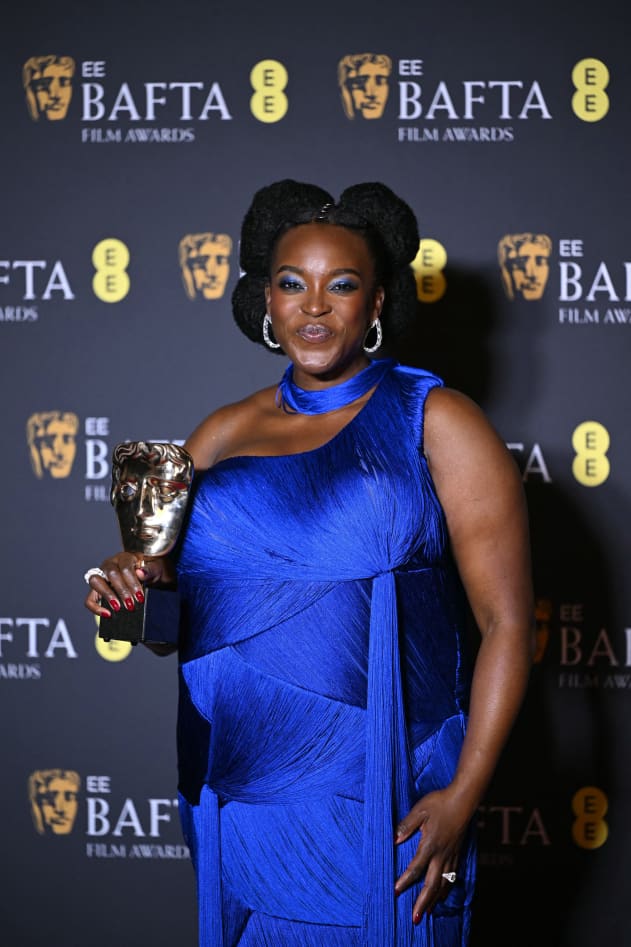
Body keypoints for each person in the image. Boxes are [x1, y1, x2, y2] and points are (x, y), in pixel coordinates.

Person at [84, 179, 535, 945]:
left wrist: (465, 790)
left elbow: (507, 623)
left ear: (378, 302)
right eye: (292, 283)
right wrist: (134, 591)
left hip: (385, 786)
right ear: (265, 297)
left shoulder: (437, 418)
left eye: (342, 284)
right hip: (239, 789)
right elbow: (175, 629)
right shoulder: (221, 432)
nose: (314, 306)